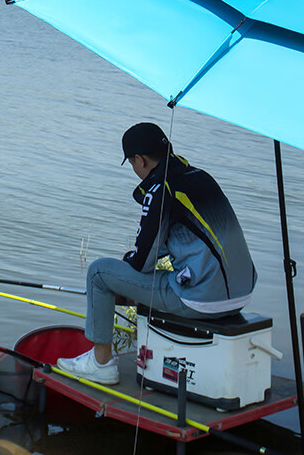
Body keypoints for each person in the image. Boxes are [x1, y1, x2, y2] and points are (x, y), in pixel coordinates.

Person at [57, 122, 257, 385]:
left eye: (131, 163)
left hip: (202, 300)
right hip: (242, 294)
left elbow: (142, 263)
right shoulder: (199, 176)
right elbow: (182, 239)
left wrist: (123, 268)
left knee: (98, 272)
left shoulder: (159, 189)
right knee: (136, 274)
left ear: (139, 159)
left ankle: (101, 363)